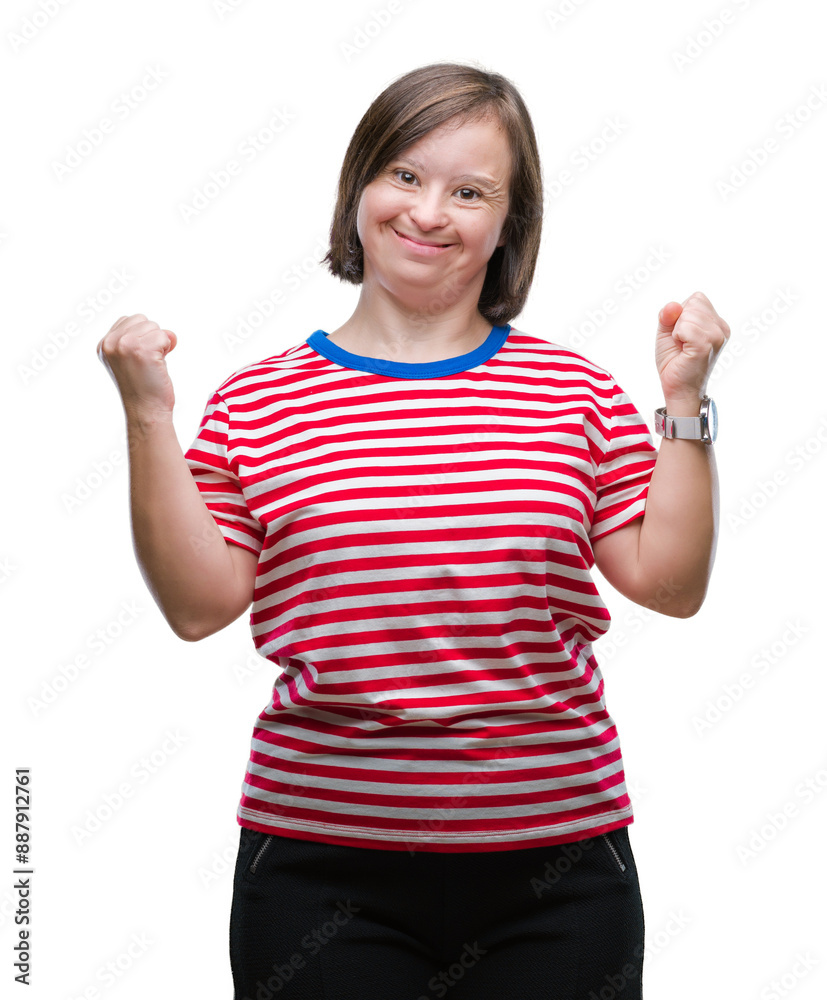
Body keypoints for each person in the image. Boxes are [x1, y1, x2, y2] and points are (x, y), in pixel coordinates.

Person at [97, 61, 729, 1000]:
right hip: (317, 874)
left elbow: (669, 586)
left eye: (468, 192)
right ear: (358, 187)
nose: (429, 212)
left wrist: (682, 403)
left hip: (556, 871)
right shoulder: (254, 402)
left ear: (506, 226)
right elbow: (198, 608)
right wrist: (148, 416)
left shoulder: (576, 392)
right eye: (404, 175)